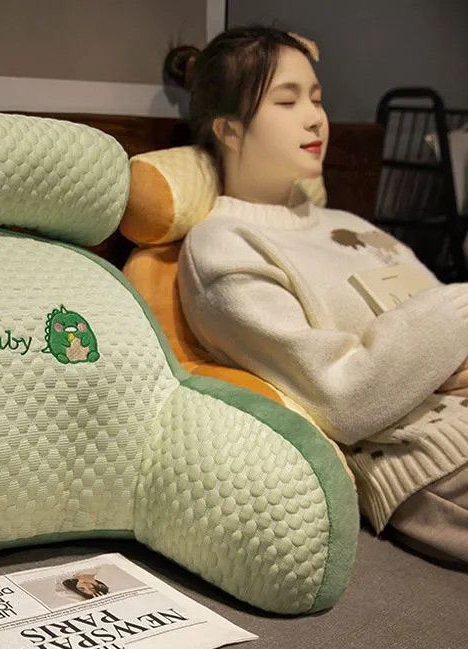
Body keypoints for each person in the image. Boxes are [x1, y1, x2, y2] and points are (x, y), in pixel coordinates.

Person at [166, 26, 468, 565]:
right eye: (287, 101)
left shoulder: (349, 223)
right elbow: (343, 396)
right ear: (229, 130)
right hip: (438, 456)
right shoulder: (224, 246)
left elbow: (443, 332)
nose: (315, 119)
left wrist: (438, 350)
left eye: (317, 98)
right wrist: (448, 334)